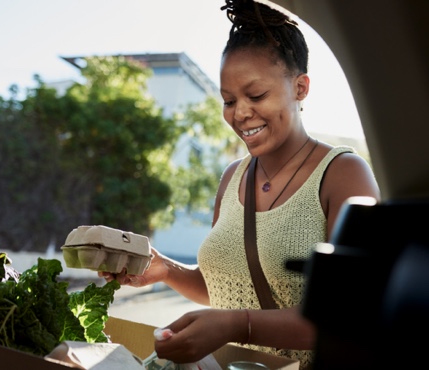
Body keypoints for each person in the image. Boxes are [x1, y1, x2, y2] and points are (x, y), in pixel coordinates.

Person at [99, 0, 380, 368]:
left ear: (300, 88)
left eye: (256, 95)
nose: (240, 113)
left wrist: (240, 324)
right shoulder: (233, 177)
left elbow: (351, 314)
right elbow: (226, 287)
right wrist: (165, 269)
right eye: (229, 100)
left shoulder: (343, 173)